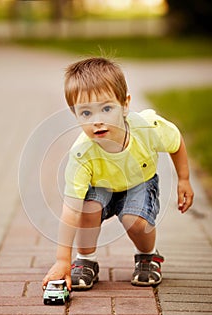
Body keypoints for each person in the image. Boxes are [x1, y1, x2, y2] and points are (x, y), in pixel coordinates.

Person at [42, 57, 194, 291]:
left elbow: (175, 143)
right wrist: (62, 260)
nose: (98, 121)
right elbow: (70, 211)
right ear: (75, 115)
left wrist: (183, 179)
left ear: (124, 105)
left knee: (135, 222)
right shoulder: (82, 154)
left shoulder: (146, 128)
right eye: (86, 113)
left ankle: (147, 256)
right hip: (101, 186)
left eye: (106, 108)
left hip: (139, 182)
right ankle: (86, 260)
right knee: (86, 209)